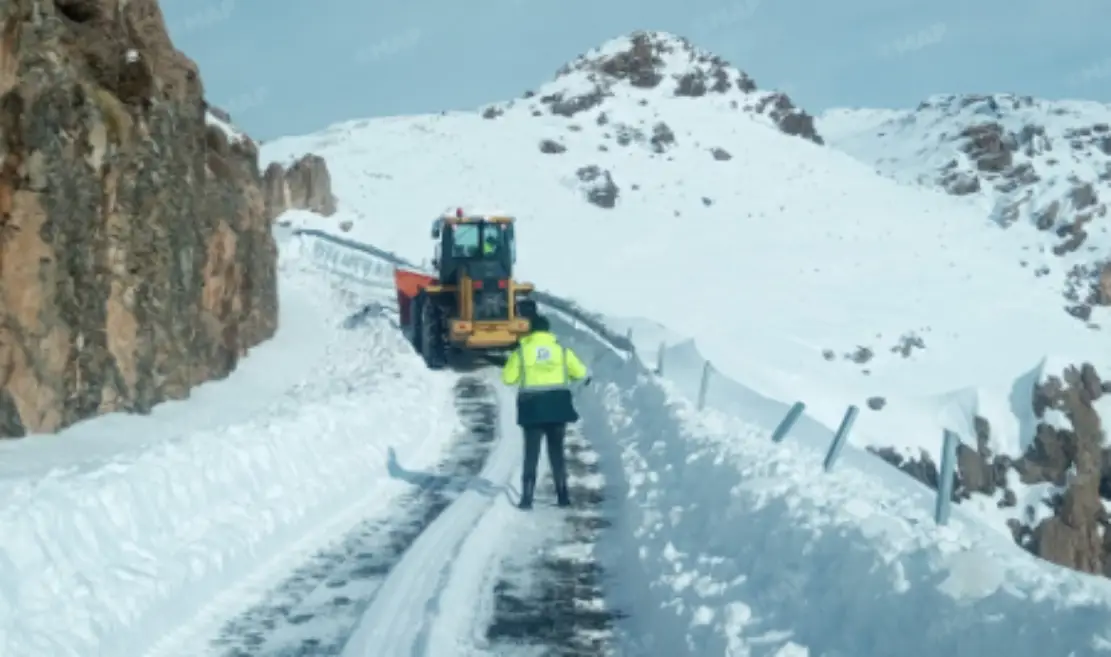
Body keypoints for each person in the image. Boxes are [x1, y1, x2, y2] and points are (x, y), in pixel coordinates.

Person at [501, 314, 589, 509]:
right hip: (557, 407)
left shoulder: (522, 352)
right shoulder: (562, 351)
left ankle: (527, 499)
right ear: (548, 331)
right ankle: (563, 496)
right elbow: (581, 373)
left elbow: (508, 378)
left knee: (531, 453)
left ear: (531, 331)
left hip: (532, 409)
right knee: (556, 452)